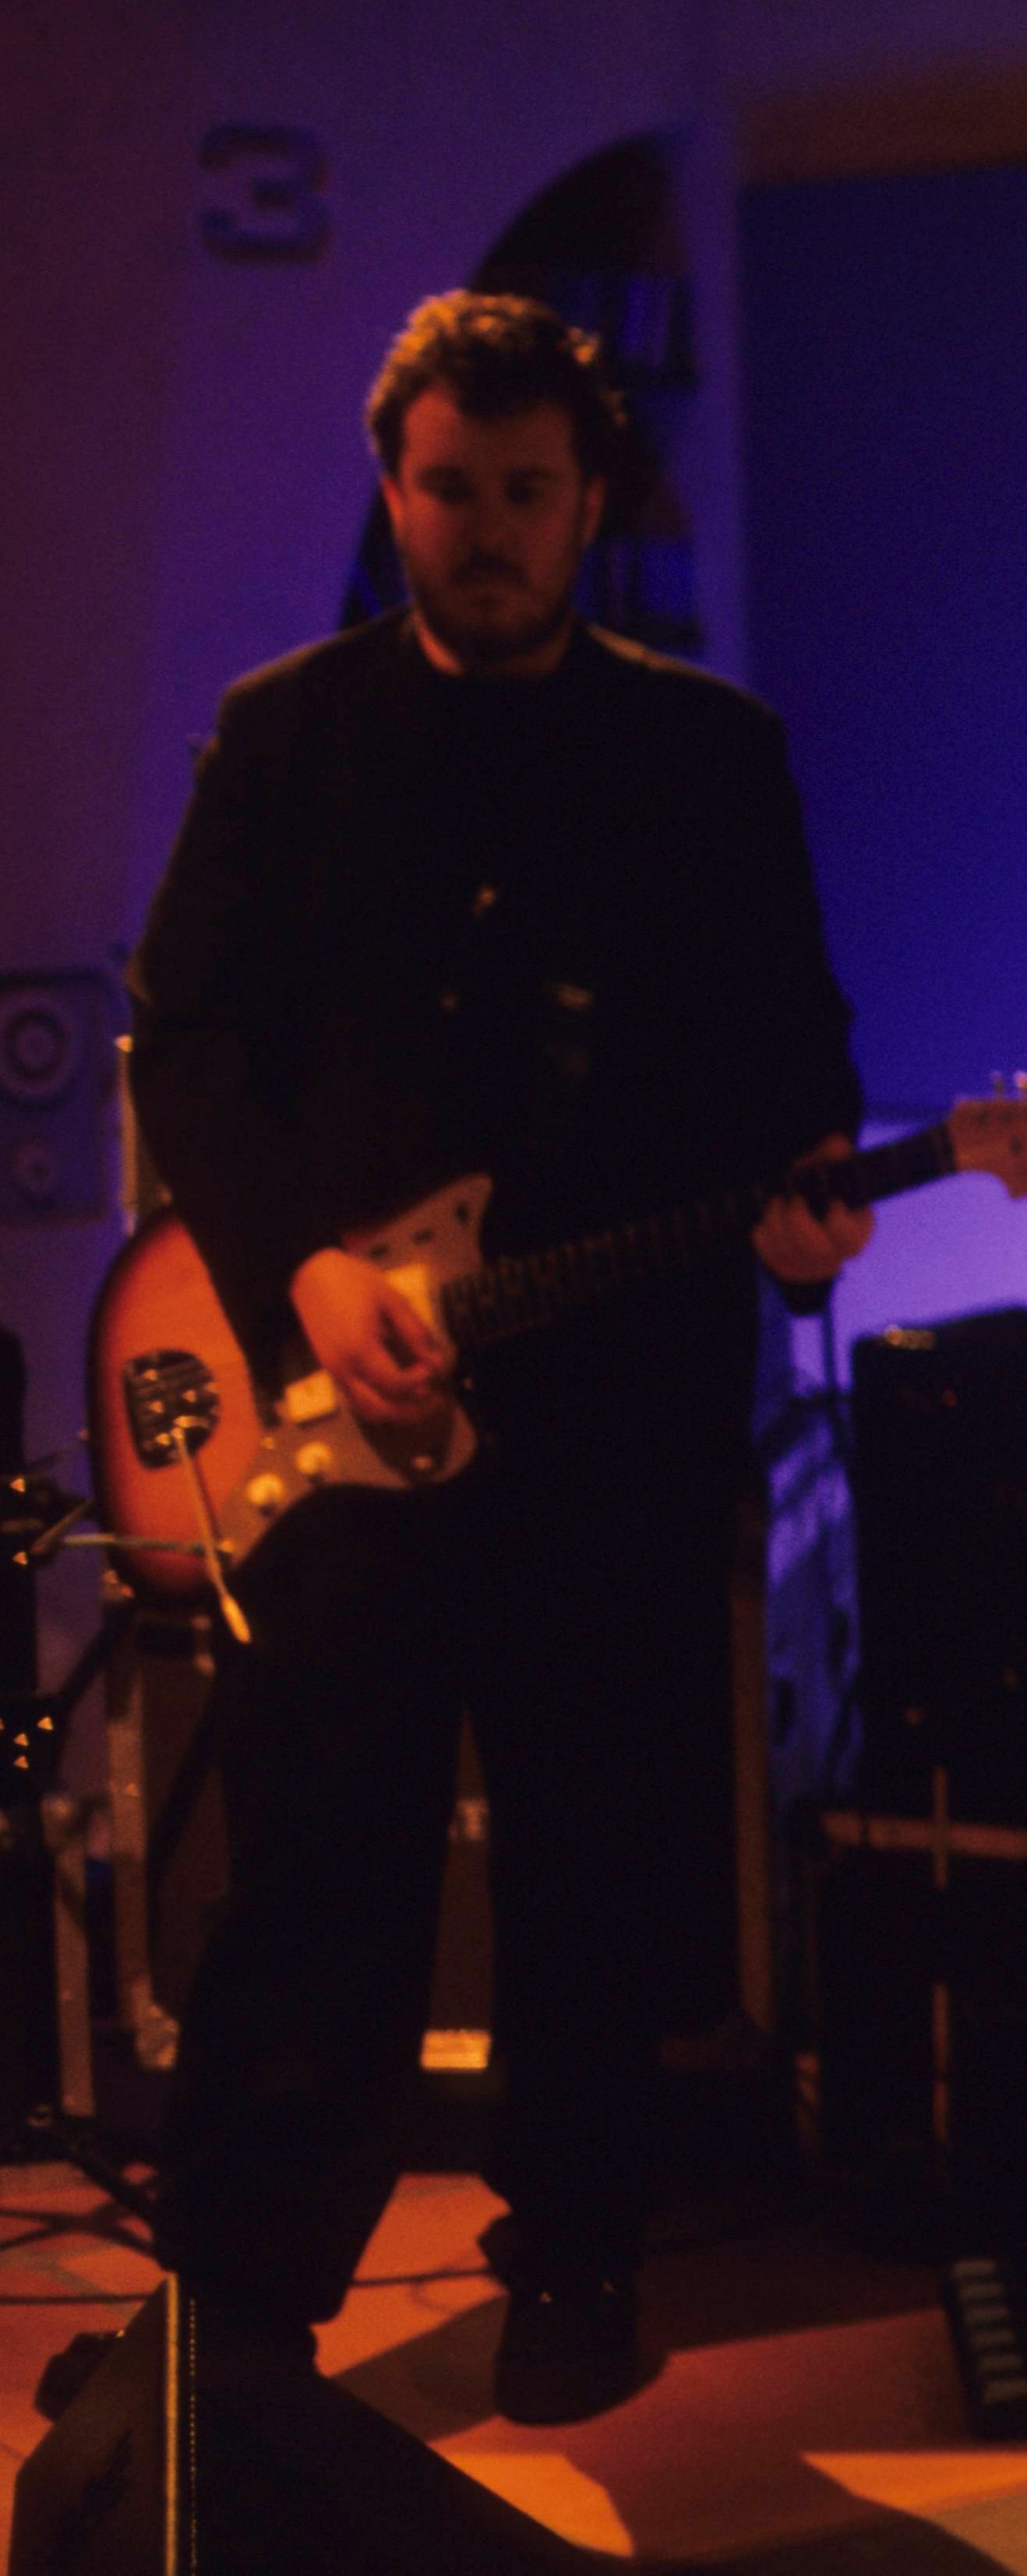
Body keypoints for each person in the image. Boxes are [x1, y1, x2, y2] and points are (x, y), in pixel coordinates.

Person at [128, 290, 871, 2424]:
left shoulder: (706, 753)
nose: (482, 529)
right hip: (346, 1396)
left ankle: (574, 2260)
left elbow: (795, 1059)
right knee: (318, 1865)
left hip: (615, 1403)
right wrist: (300, 1278)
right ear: (395, 487)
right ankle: (248, 2302)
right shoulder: (284, 738)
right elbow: (182, 1032)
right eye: (447, 487)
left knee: (593, 1858)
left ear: (590, 498)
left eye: (523, 493)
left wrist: (814, 1198)